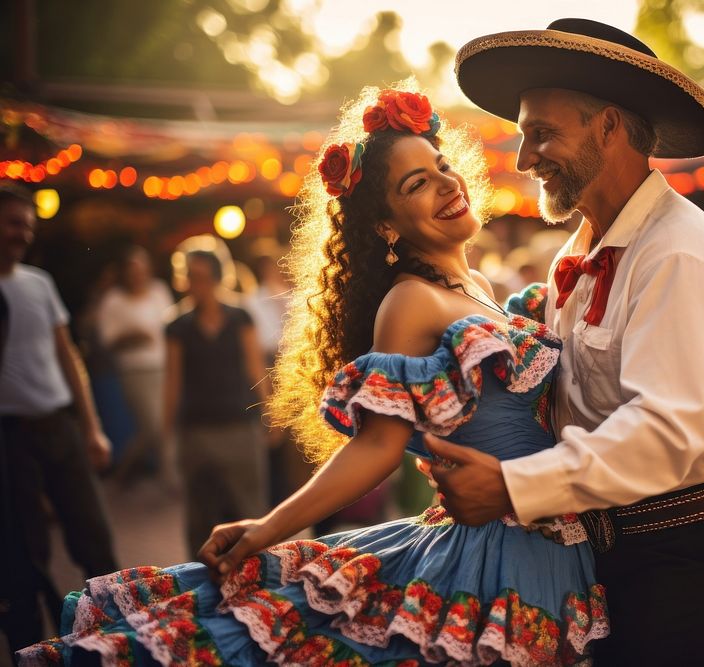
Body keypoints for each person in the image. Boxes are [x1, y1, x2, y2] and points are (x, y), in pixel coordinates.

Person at [17, 86, 608, 666]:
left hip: (548, 539)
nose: (446, 184)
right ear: (385, 226)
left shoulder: (480, 291)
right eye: (416, 184)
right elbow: (377, 445)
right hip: (491, 557)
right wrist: (268, 528)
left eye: (441, 165)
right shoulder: (412, 303)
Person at [428, 20, 704, 665]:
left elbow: (664, 432)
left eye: (542, 134)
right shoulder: (583, 249)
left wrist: (511, 485)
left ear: (609, 127)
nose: (524, 159)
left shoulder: (675, 253)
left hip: (687, 544)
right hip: (610, 537)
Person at [0, 183, 118, 656]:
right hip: (8, 436)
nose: (22, 232)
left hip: (57, 424)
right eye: (12, 222)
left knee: (92, 532)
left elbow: (68, 356)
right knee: (23, 550)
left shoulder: (38, 284)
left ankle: (113, 634)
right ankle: (32, 648)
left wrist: (91, 427)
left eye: (27, 224)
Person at [164, 248, 271, 558]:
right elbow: (172, 382)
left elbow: (255, 369)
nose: (196, 285)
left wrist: (269, 414)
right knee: (199, 518)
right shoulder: (177, 325)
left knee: (250, 512)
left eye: (203, 278)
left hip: (240, 426)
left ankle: (257, 580)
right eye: (191, 278)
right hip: (196, 430)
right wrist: (167, 434)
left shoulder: (240, 317)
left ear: (217, 278)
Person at [96, 246, 175, 487]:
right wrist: (134, 336)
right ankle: (172, 481)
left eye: (141, 268)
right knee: (154, 427)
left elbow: (172, 329)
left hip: (163, 367)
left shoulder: (159, 292)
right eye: (132, 269)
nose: (137, 274)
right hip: (135, 372)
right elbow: (106, 341)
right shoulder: (113, 301)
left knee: (161, 425)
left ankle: (122, 472)